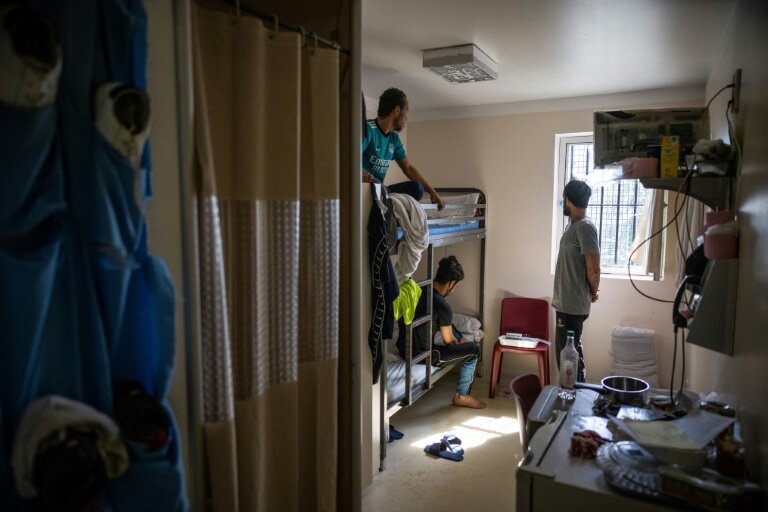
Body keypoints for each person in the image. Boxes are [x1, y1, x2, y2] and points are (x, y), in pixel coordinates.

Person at [398, 255, 485, 409]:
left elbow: (444, 324)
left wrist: (461, 338)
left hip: (403, 348)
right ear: (451, 283)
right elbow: (449, 342)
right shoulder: (443, 306)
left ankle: (464, 341)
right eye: (456, 286)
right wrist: (461, 344)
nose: (455, 289)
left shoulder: (419, 289)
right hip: (422, 356)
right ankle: (462, 396)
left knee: (448, 325)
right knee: (475, 350)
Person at [362, 87, 445, 209]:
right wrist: (359, 173)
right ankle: (387, 205)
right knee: (380, 189)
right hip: (365, 188)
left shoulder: (393, 139)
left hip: (381, 190)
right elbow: (349, 156)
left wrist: (432, 192)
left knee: (417, 188)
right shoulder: (368, 129)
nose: (407, 117)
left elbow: (408, 168)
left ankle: (388, 204)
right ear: (397, 110)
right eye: (406, 110)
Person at [553, 180, 601, 383]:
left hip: (572, 306)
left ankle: (571, 399)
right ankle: (573, 396)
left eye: (564, 198)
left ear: (568, 200)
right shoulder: (573, 226)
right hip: (566, 303)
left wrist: (593, 291)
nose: (563, 202)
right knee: (570, 354)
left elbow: (593, 269)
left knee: (568, 358)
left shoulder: (585, 228)